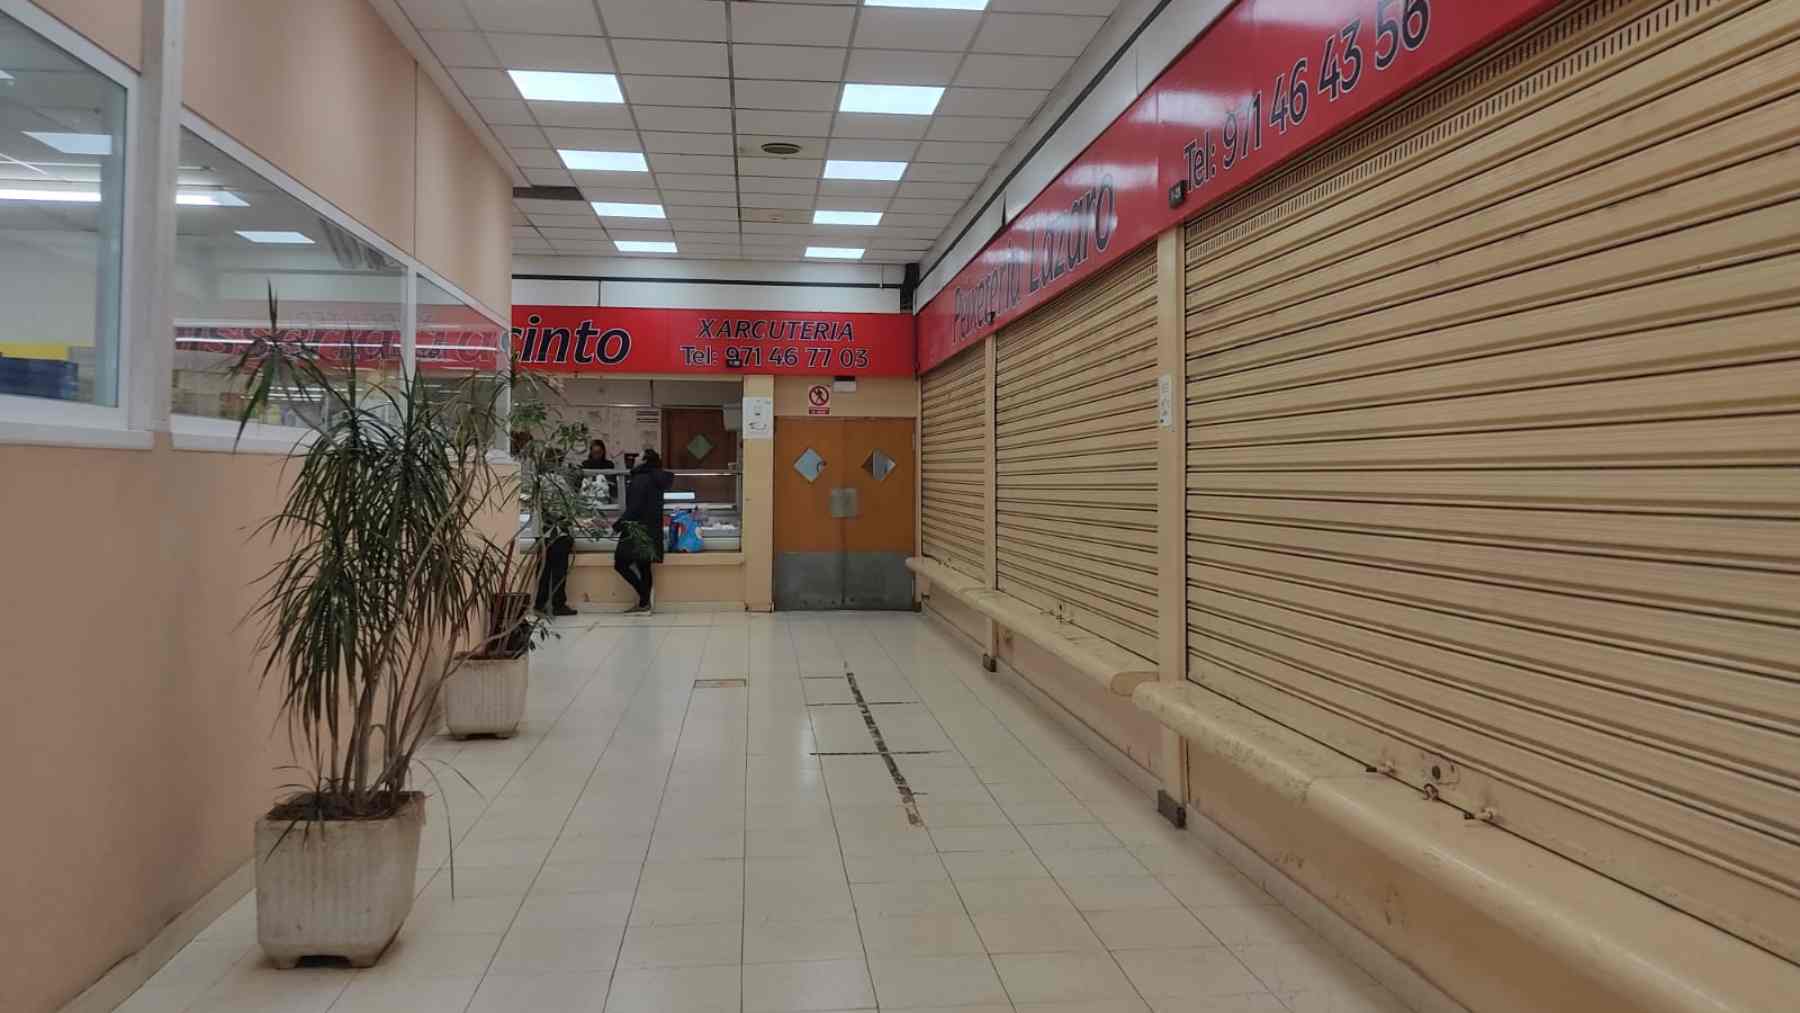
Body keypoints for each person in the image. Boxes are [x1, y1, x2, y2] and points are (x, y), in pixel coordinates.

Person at [612, 449, 672, 614]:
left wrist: (617, 526)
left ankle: (644, 597)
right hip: (651, 528)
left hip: (636, 529)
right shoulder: (656, 478)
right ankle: (644, 603)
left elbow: (635, 508)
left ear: (644, 460)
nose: (634, 459)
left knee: (620, 564)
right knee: (644, 566)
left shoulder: (640, 479)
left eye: (637, 456)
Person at [531, 446, 579, 617]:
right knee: (559, 571)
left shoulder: (538, 480)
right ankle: (558, 604)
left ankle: (539, 604)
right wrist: (570, 533)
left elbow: (534, 505)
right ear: (559, 462)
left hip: (542, 533)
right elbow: (569, 509)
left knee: (543, 570)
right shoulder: (560, 481)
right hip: (559, 532)